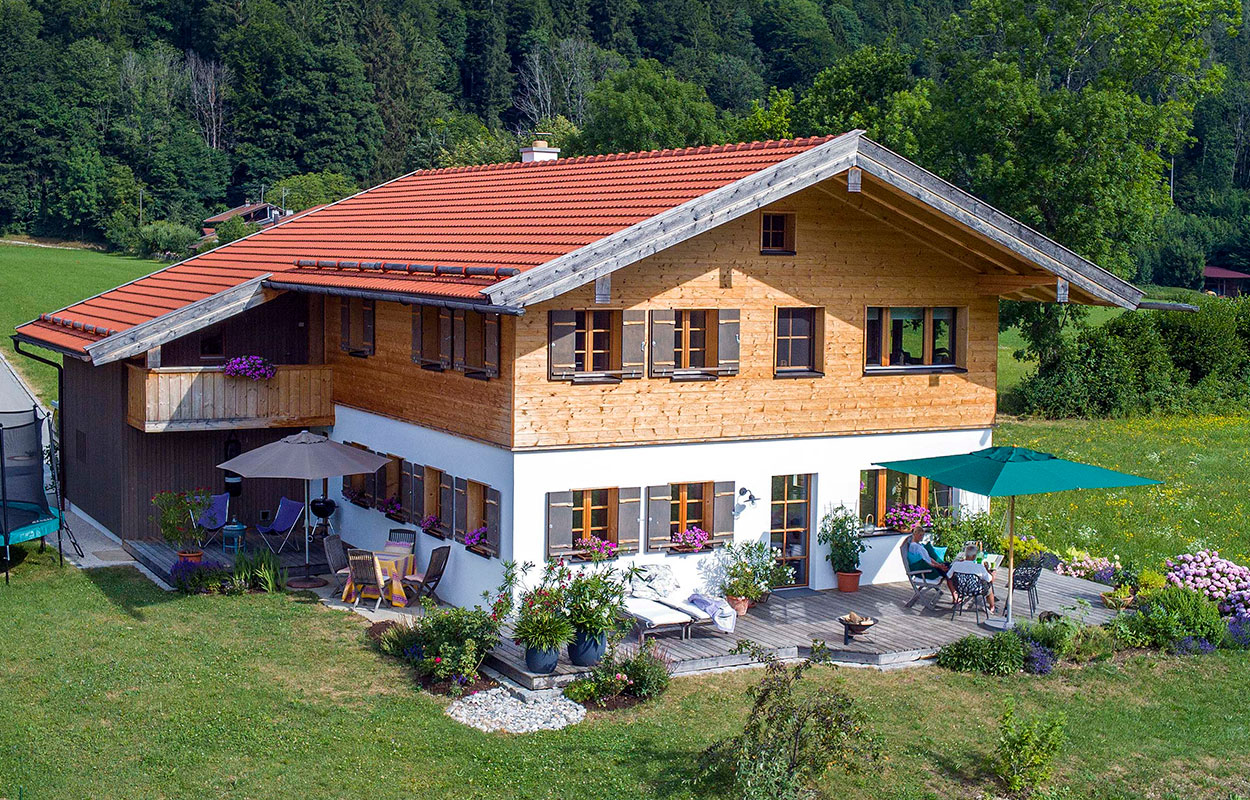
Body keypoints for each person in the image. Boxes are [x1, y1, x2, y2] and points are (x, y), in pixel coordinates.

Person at [948, 542, 997, 614]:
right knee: (989, 586)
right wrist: (988, 571)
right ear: (974, 556)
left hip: (960, 589)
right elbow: (990, 580)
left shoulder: (956, 564)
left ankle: (955, 598)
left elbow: (948, 576)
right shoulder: (979, 567)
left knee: (950, 579)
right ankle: (992, 607)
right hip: (976, 590)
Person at [907, 528, 955, 601]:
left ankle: (955, 595)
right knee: (949, 572)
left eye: (922, 535)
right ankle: (955, 596)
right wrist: (938, 566)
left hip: (929, 567)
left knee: (949, 567)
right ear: (915, 534)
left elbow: (928, 557)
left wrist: (939, 564)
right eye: (920, 535)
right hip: (926, 571)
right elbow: (925, 562)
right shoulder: (914, 546)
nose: (922, 537)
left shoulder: (918, 545)